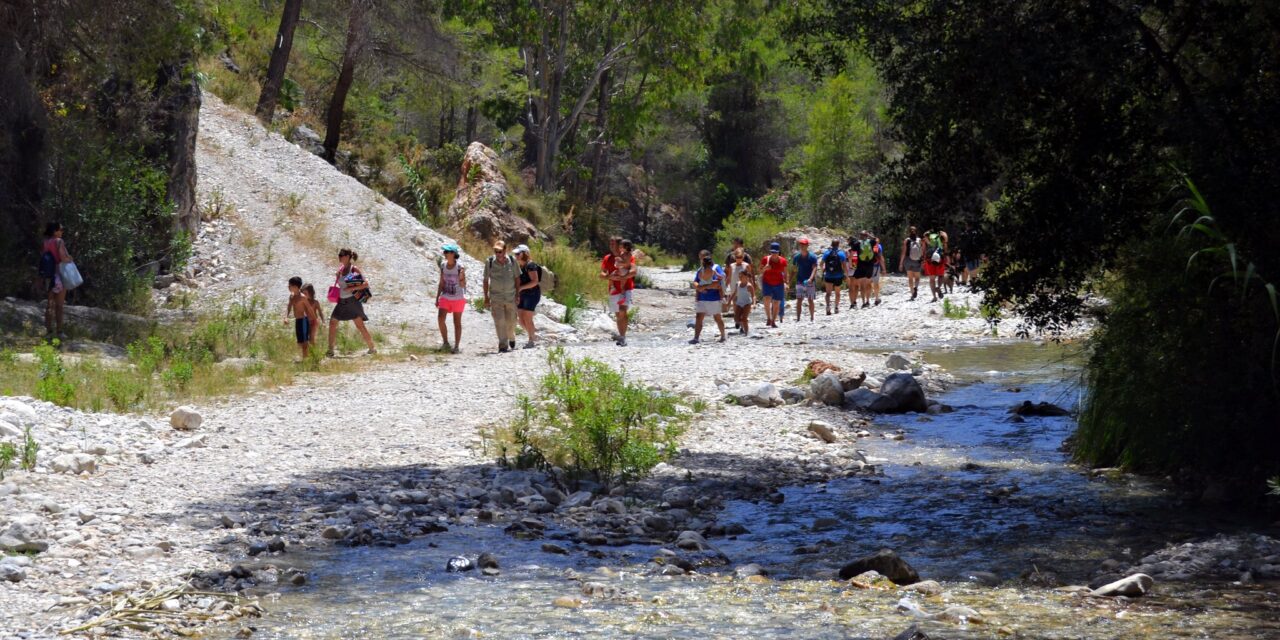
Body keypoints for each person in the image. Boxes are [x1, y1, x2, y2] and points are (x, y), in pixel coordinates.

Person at [327, 248, 376, 357]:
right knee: (333, 322)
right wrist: (338, 277)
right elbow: (343, 285)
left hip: (352, 301)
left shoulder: (353, 269)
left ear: (348, 256)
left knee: (359, 325)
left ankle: (372, 348)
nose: (339, 257)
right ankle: (330, 350)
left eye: (342, 255)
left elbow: (365, 284)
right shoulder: (341, 269)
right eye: (339, 255)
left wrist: (350, 289)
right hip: (342, 301)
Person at [483, 240, 521, 353]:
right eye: (496, 251)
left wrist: (518, 294)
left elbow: (517, 278)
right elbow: (485, 280)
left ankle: (511, 336)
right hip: (496, 297)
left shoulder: (513, 261)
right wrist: (486, 297)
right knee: (499, 321)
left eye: (500, 251)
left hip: (510, 296)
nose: (498, 254)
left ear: (505, 250)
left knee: (511, 321)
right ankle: (503, 345)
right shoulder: (489, 262)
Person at [39, 222, 72, 340]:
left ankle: (48, 331)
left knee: (49, 304)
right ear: (55, 231)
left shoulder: (46, 242)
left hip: (49, 276)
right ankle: (60, 332)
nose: (62, 232)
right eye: (61, 229)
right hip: (59, 276)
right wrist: (70, 258)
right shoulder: (59, 241)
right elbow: (63, 258)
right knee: (59, 305)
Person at [601, 237, 636, 346]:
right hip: (613, 289)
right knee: (618, 314)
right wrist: (609, 276)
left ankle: (623, 337)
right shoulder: (607, 258)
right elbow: (601, 274)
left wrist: (623, 276)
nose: (611, 246)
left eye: (613, 244)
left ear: (620, 245)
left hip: (626, 288)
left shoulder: (627, 256)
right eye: (610, 244)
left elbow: (634, 271)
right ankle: (621, 337)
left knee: (622, 311)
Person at [691, 249, 727, 344]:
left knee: (717, 318)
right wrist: (698, 288)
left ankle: (723, 335)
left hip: (714, 298)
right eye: (700, 258)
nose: (701, 260)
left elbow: (717, 283)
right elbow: (695, 281)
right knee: (699, 317)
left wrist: (703, 287)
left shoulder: (716, 268)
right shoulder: (700, 270)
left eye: (702, 258)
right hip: (702, 298)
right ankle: (696, 338)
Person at [436, 243, 467, 353]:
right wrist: (437, 298)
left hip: (458, 297)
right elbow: (441, 282)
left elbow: (463, 285)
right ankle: (445, 342)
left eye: (447, 252)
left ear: (453, 254)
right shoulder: (443, 265)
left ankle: (457, 347)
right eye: (444, 252)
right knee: (440, 318)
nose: (444, 254)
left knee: (456, 322)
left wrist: (462, 278)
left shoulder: (459, 267)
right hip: (445, 296)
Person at [513, 244, 541, 348]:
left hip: (532, 294)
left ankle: (531, 340)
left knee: (527, 317)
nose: (516, 255)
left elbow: (535, 281)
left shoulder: (531, 265)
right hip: (523, 293)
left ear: (524, 254)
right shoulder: (520, 266)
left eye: (518, 253)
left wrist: (520, 288)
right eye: (515, 254)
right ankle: (532, 335)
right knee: (520, 318)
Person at [724, 238, 753, 329]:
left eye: (740, 257)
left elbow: (750, 275)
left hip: (744, 288)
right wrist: (724, 287)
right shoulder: (731, 265)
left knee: (743, 305)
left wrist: (752, 287)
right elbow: (728, 276)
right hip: (734, 288)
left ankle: (743, 322)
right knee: (736, 306)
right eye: (737, 258)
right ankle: (739, 321)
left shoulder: (746, 261)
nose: (738, 259)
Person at [759, 242, 788, 327]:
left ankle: (773, 321)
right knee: (767, 299)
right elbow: (760, 271)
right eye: (772, 252)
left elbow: (786, 273)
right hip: (767, 282)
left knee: (776, 302)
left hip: (779, 283)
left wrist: (787, 282)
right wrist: (765, 268)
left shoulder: (783, 261)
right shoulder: (765, 259)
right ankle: (768, 318)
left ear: (779, 252)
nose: (774, 254)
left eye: (775, 252)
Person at [791, 237, 818, 321]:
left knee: (810, 300)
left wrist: (810, 278)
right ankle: (798, 318)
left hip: (810, 281)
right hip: (800, 281)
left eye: (804, 245)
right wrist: (789, 280)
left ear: (807, 246)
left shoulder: (812, 257)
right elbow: (794, 270)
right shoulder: (796, 257)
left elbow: (814, 268)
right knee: (799, 300)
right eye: (801, 244)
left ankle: (812, 317)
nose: (802, 246)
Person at [284, 276, 311, 359]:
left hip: (303, 320)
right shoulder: (291, 296)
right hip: (297, 320)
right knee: (299, 342)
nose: (288, 287)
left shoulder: (303, 297)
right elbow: (289, 307)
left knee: (304, 341)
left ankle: (306, 359)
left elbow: (309, 308)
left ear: (295, 287)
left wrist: (314, 320)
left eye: (290, 285)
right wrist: (286, 317)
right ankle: (308, 356)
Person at [850, 230, 877, 309]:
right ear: (866, 235)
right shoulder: (871, 242)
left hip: (860, 266)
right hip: (870, 266)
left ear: (860, 236)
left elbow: (853, 254)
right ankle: (868, 301)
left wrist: (853, 265)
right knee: (868, 284)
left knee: (861, 285)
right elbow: (876, 239)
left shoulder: (857, 243)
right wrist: (869, 235)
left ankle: (863, 302)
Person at [820, 239, 847, 314]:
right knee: (837, 293)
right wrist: (846, 274)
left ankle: (828, 307)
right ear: (838, 245)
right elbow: (844, 266)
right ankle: (836, 308)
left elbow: (821, 264)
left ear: (831, 244)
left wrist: (823, 270)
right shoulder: (841, 253)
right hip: (838, 275)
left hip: (828, 275)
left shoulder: (826, 253)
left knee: (828, 293)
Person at [922, 229, 949, 302]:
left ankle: (934, 297)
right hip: (940, 258)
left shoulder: (926, 234)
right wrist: (946, 257)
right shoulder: (943, 234)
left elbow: (924, 249)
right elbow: (945, 247)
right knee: (941, 275)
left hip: (929, 259)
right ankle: (938, 287)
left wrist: (923, 258)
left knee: (932, 279)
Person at [899, 226, 924, 301]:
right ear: (916, 232)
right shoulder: (919, 240)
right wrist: (922, 260)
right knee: (917, 277)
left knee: (910, 278)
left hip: (908, 260)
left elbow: (903, 252)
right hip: (917, 261)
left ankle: (912, 294)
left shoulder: (907, 240)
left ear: (909, 232)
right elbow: (922, 251)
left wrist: (900, 263)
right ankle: (916, 287)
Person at [301, 284, 325, 350]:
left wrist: (323, 322)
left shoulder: (315, 302)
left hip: (314, 322)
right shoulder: (303, 302)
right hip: (305, 322)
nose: (304, 295)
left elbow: (320, 312)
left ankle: (314, 353)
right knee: (305, 339)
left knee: (312, 338)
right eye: (302, 293)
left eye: (305, 293)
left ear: (310, 293)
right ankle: (308, 353)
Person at [734, 269, 755, 335]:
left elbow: (753, 296)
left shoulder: (749, 286)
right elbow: (734, 293)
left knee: (744, 318)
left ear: (746, 277)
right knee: (736, 318)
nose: (740, 277)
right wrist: (728, 302)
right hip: (739, 303)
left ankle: (746, 333)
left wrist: (754, 304)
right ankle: (741, 325)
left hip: (747, 303)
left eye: (741, 276)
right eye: (739, 276)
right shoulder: (737, 284)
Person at [871, 234, 887, 306]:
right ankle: (877, 298)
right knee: (876, 282)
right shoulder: (878, 246)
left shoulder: (867, 246)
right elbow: (880, 258)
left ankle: (866, 300)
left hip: (866, 267)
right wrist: (884, 269)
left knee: (867, 283)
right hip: (875, 266)